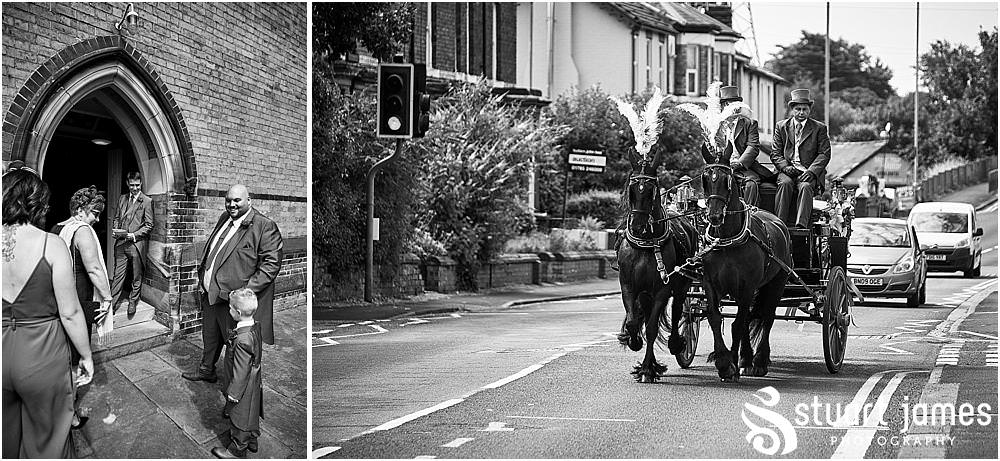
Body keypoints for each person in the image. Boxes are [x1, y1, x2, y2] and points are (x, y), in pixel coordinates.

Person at [3, 162, 95, 458]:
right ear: (36, 202)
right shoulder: (51, 244)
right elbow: (70, 312)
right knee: (49, 438)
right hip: (43, 355)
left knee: (6, 436)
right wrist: (86, 355)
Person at [183, 184, 282, 384]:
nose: (232, 204)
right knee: (210, 337)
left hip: (233, 302)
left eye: (237, 200)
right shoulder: (224, 218)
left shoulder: (264, 226)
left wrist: (244, 294)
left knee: (234, 349)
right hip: (211, 294)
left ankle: (233, 395)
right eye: (228, 200)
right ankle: (206, 370)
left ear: (249, 201)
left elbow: (271, 264)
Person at [51, 186, 114, 343]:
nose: (98, 220)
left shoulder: (55, 229)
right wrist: (107, 298)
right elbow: (94, 269)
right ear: (79, 210)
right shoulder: (82, 230)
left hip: (58, 294)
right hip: (79, 295)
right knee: (79, 340)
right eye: (95, 214)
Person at [213, 288, 264, 459]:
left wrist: (234, 393)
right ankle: (252, 440)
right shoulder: (254, 327)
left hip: (243, 385)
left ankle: (236, 449)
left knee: (240, 415)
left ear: (238, 312)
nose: (228, 310)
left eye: (230, 308)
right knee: (252, 411)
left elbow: (241, 370)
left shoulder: (242, 339)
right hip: (254, 381)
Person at [770, 88, 832, 228]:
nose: (801, 112)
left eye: (805, 109)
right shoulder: (781, 127)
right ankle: (779, 224)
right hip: (787, 171)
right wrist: (785, 167)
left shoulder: (819, 128)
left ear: (809, 110)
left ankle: (801, 226)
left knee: (806, 187)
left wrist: (811, 172)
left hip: (807, 172)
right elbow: (775, 153)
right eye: (798, 109)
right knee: (785, 184)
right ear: (792, 109)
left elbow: (824, 153)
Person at [718, 85, 771, 206]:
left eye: (734, 104)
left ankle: (750, 215)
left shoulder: (749, 123)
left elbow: (753, 147)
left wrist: (739, 163)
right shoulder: (717, 126)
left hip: (743, 168)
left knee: (751, 183)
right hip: (722, 168)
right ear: (723, 106)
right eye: (728, 104)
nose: (731, 107)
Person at [110, 171, 153, 317]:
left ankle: (133, 301)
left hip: (136, 244)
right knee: (118, 275)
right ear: (127, 183)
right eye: (132, 185)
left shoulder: (147, 201)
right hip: (121, 244)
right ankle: (112, 304)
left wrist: (133, 235)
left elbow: (149, 225)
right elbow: (116, 217)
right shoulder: (122, 198)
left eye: (137, 185)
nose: (134, 188)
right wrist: (115, 229)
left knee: (136, 275)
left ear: (141, 184)